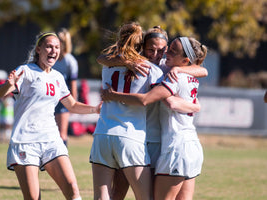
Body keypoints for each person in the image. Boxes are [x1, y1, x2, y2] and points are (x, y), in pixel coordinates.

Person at [97, 26, 207, 199]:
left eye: (162, 50)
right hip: (137, 139)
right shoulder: (141, 65)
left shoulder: (166, 67)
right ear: (142, 47)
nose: (156, 54)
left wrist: (180, 71)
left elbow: (203, 70)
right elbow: (102, 58)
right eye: (151, 49)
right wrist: (127, 61)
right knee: (120, 191)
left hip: (159, 142)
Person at [0, 32, 101, 200]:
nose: (53, 50)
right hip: (25, 142)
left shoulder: (57, 77)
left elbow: (71, 105)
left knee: (73, 190)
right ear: (39, 49)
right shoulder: (26, 71)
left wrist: (95, 109)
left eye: (57, 47)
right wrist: (8, 85)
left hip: (51, 139)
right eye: (49, 46)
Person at [89, 22, 164, 200]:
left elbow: (102, 57)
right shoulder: (150, 69)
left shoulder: (107, 65)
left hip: (102, 134)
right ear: (142, 46)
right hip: (130, 137)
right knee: (145, 197)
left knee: (102, 196)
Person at [53, 28, 79, 146]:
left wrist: (73, 103)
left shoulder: (70, 61)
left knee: (61, 133)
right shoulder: (52, 59)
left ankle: (62, 157)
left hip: (63, 100)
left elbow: (73, 83)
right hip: (51, 98)